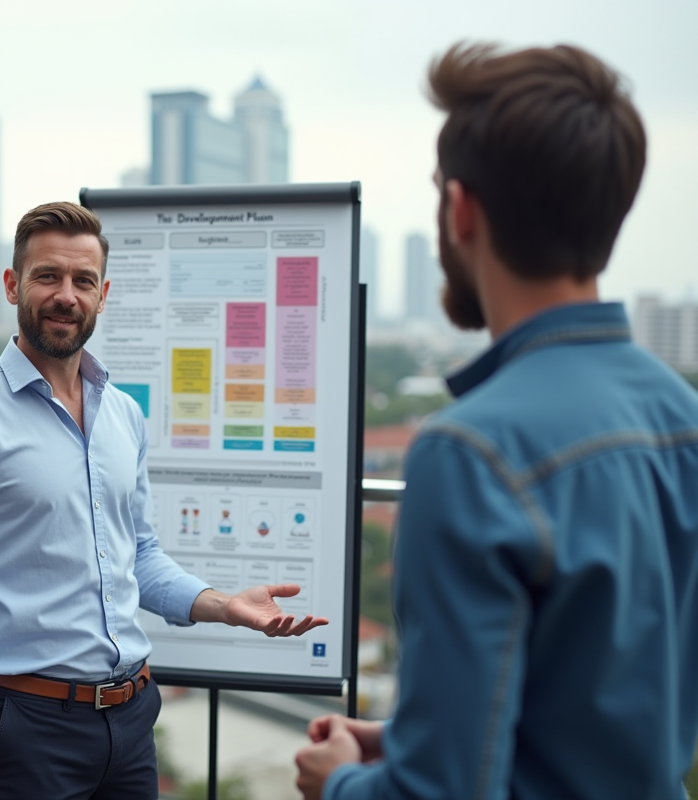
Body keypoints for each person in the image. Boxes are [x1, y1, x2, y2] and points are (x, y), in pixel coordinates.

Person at [294, 42, 698, 800]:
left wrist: (339, 783)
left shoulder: (470, 452)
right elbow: (603, 719)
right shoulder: (683, 415)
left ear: (460, 208)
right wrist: (414, 738)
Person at [0, 201, 329, 800]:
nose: (65, 296)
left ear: (103, 294)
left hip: (131, 720)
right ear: (12, 285)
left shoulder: (123, 414)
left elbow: (141, 554)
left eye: (82, 281)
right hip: (24, 726)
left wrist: (224, 605)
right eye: (47, 276)